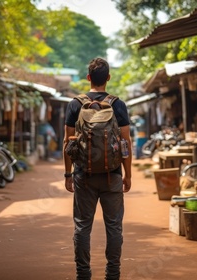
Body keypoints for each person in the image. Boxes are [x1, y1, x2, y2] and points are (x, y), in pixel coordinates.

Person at [63, 58, 132, 280]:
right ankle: (113, 274)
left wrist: (68, 174)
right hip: (112, 175)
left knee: (83, 227)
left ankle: (83, 274)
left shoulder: (75, 104)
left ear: (88, 78)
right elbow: (125, 144)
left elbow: (68, 143)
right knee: (114, 228)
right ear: (108, 78)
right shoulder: (118, 104)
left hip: (84, 175)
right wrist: (127, 174)